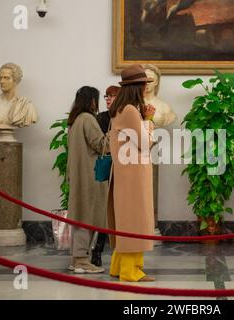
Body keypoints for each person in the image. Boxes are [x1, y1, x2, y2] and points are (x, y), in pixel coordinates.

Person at [107, 64, 156, 282]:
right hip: (133, 174)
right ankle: (130, 271)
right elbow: (145, 144)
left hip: (126, 173)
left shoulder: (120, 109)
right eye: (144, 84)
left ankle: (119, 267)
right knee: (135, 220)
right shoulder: (130, 111)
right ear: (137, 87)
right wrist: (149, 122)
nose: (146, 87)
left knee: (127, 220)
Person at [67, 86, 109, 274]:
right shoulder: (88, 119)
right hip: (90, 175)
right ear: (92, 101)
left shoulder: (75, 120)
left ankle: (76, 259)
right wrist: (114, 130)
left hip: (78, 174)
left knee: (80, 216)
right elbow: (102, 145)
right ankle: (82, 260)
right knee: (87, 217)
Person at [90, 85, 120, 267]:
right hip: (106, 167)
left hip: (123, 166)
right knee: (104, 214)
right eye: (107, 96)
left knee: (120, 212)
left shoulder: (126, 115)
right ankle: (98, 250)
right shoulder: (101, 118)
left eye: (112, 96)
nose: (108, 99)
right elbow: (100, 144)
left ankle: (120, 253)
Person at [0, 63, 38, 142]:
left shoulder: (26, 105)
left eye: (6, 78)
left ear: (15, 80)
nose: (2, 81)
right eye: (0, 78)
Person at [142, 63, 176, 128]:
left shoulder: (165, 107)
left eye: (150, 80)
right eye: (144, 80)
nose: (146, 83)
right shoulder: (133, 104)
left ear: (156, 82)